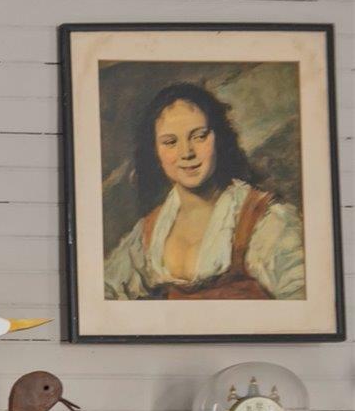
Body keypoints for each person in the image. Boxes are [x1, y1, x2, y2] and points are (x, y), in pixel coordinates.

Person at [103, 82, 304, 301]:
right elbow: (103, 295)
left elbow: (302, 302)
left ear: (219, 138)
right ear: (156, 152)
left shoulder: (264, 219)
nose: (187, 152)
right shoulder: (150, 231)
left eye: (199, 136)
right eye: (170, 142)